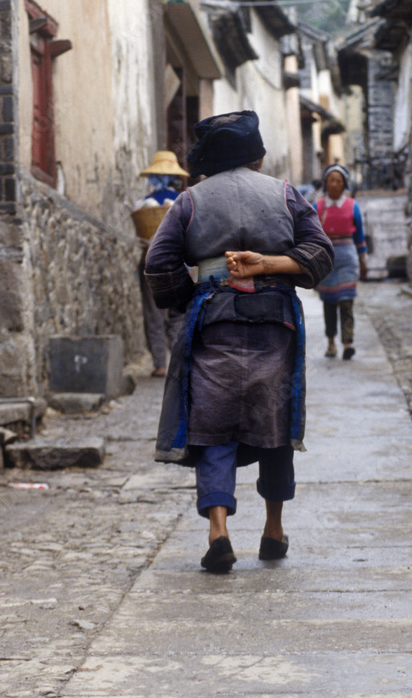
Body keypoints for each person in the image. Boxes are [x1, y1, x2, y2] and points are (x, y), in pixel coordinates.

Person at [144, 111, 333, 573]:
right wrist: (270, 264)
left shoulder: (189, 202)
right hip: (275, 323)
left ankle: (218, 532)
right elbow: (321, 253)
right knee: (274, 423)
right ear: (259, 156)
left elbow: (158, 262)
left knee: (214, 425)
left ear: (207, 161)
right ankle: (273, 530)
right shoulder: (285, 194)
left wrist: (191, 298)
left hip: (215, 320)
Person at [135, 151, 189, 377]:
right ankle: (178, 362)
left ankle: (159, 364)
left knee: (154, 314)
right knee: (177, 315)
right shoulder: (183, 201)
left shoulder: (144, 205)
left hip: (150, 263)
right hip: (178, 263)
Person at [315, 163, 368, 360]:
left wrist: (363, 262)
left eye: (339, 180)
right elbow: (311, 236)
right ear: (325, 183)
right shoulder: (317, 207)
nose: (335, 184)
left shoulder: (352, 206)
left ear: (344, 183)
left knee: (346, 302)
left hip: (347, 260)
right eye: (331, 180)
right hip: (327, 262)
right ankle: (331, 343)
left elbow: (360, 238)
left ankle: (348, 343)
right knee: (329, 304)